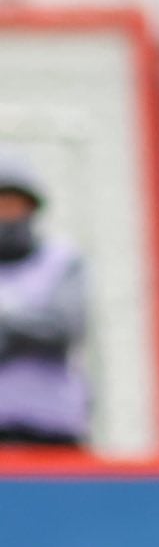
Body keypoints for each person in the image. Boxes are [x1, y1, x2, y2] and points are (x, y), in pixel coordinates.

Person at [0, 150, 90, 448]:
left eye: (13, 205)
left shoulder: (61, 262)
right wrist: (29, 323)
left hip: (53, 431)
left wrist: (6, 326)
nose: (6, 215)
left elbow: (64, 327)